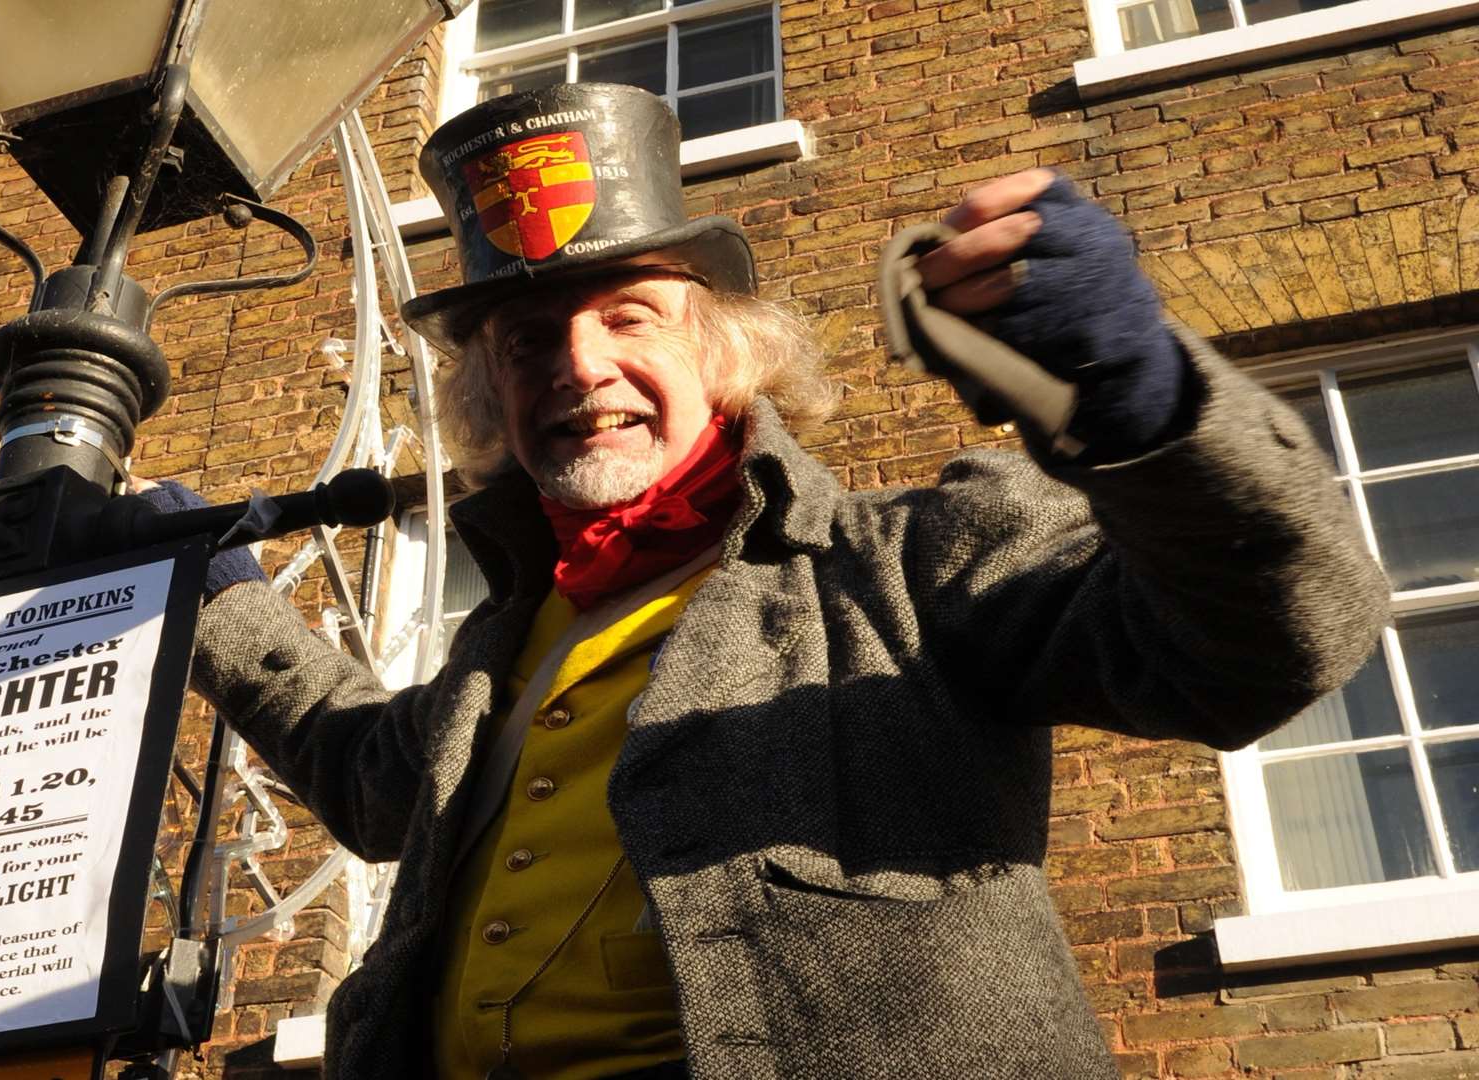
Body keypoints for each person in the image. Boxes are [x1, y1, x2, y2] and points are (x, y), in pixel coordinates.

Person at [147, 83, 1387, 1080]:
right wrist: (215, 592)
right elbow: (377, 782)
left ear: (727, 355)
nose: (577, 365)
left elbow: (1263, 642)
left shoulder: (914, 559)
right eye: (527, 342)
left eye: (630, 317)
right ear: (489, 396)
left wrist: (1139, 399)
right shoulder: (508, 643)